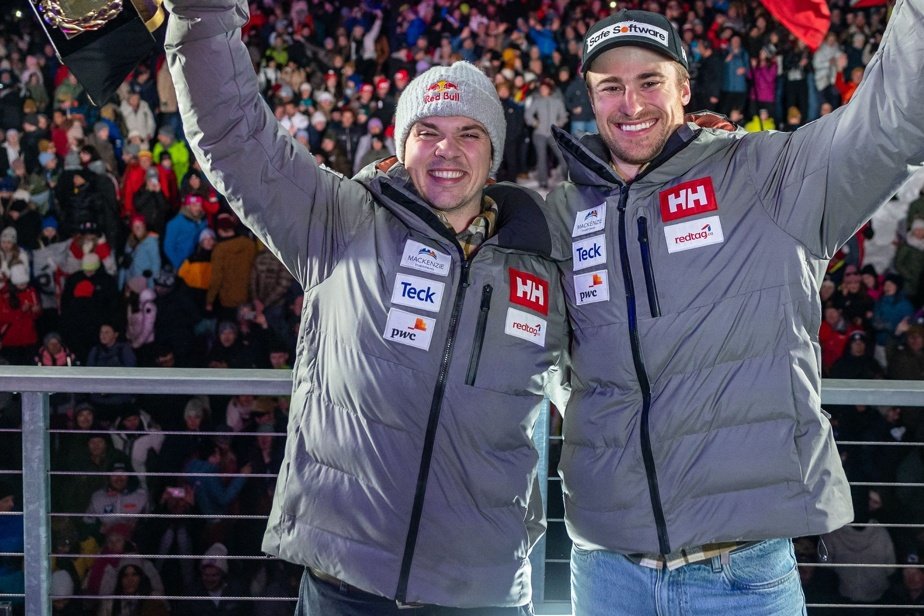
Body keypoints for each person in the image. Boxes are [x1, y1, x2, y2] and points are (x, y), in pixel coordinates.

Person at [165, 1, 568, 612]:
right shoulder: (340, 220)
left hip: (482, 586)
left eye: (469, 133)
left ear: (494, 154)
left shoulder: (543, 265)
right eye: (427, 132)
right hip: (347, 580)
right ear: (401, 147)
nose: (446, 150)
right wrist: (203, 11)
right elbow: (233, 131)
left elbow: (610, 387)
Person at [548, 6, 924, 615]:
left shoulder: (768, 175)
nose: (631, 103)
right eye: (610, 87)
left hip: (738, 575)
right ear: (590, 100)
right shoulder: (563, 215)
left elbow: (895, 121)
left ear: (685, 88)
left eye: (650, 81)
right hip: (604, 573)